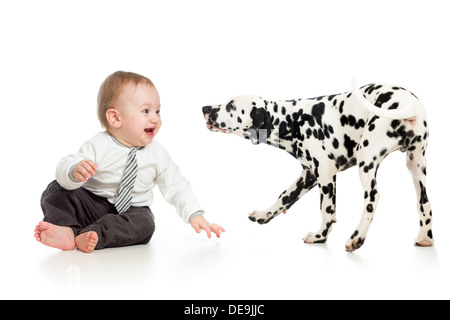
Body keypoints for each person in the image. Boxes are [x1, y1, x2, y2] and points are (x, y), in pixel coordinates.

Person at [34, 71, 225, 253]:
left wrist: (194, 213)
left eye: (158, 111)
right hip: (93, 204)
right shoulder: (99, 144)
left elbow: (176, 184)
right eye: (146, 111)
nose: (155, 118)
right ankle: (67, 230)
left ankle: (93, 236)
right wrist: (74, 170)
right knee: (57, 190)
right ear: (116, 118)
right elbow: (67, 163)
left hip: (131, 212)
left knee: (146, 225)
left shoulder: (157, 153)